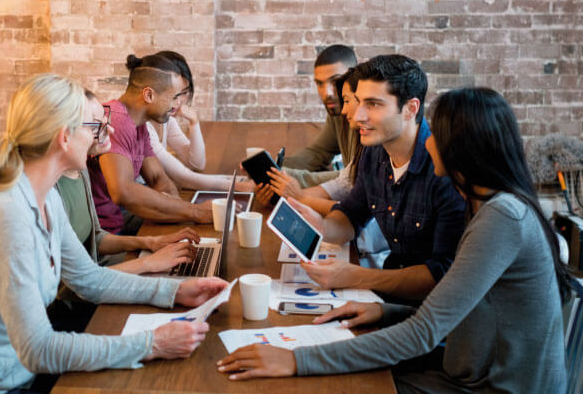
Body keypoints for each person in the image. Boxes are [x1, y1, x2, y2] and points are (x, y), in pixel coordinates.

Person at [218, 87, 574, 393]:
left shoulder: (501, 217)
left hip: (486, 387)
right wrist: (384, 311)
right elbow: (455, 310)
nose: (429, 140)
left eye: (438, 133)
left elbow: (424, 332)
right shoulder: (486, 204)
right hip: (468, 369)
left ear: (462, 148)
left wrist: (296, 359)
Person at [0, 74, 227, 394]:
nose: (106, 133)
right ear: (64, 137)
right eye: (94, 126)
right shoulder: (4, 216)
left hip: (16, 371)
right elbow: (39, 350)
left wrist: (175, 292)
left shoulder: (46, 193)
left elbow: (90, 279)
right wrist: (152, 344)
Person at [290, 55, 465, 301]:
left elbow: (442, 276)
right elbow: (352, 215)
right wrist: (322, 227)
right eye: (359, 101)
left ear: (410, 109)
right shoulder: (373, 152)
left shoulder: (443, 170)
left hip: (429, 315)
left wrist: (356, 276)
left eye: (373, 104)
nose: (358, 116)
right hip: (388, 297)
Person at [57, 90, 199, 274]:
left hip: (94, 269)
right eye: (94, 125)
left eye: (105, 120)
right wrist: (148, 263)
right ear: (65, 134)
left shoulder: (80, 170)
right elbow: (78, 281)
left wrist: (150, 242)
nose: (110, 130)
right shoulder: (51, 191)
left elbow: (96, 238)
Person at [260, 69, 389, 268]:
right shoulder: (368, 151)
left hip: (373, 262)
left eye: (347, 100)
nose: (345, 109)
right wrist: (288, 195)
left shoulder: (377, 145)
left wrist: (300, 197)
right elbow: (344, 193)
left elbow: (367, 223)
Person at [87, 54, 214, 235]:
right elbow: (123, 192)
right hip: (105, 233)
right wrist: (196, 212)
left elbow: (157, 178)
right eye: (174, 97)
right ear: (148, 95)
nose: (177, 104)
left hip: (121, 219)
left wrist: (179, 207)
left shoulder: (139, 124)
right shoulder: (117, 120)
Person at [145, 51, 255, 193]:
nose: (178, 101)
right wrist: (238, 187)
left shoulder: (166, 120)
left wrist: (194, 123)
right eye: (174, 93)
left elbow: (196, 164)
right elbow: (184, 178)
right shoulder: (145, 126)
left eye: (183, 93)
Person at [279, 45, 358, 188]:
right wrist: (274, 166)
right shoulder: (337, 113)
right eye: (320, 83)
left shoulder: (368, 119)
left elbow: (355, 177)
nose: (326, 92)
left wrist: (285, 177)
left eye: (335, 81)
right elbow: (319, 152)